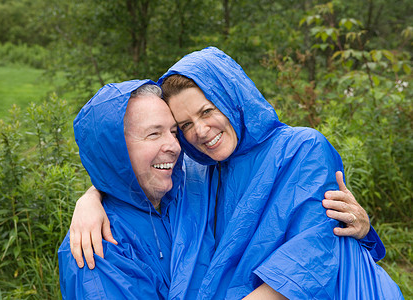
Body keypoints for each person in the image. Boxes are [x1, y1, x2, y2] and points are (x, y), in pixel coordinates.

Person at [68, 47, 402, 299]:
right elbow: (126, 167)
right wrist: (93, 196)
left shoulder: (301, 148)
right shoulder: (200, 170)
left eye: (207, 111)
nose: (199, 131)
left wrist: (364, 229)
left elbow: (313, 253)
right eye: (184, 125)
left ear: (233, 97)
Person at [58, 81, 193, 298]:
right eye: (154, 134)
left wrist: (92, 194)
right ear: (116, 151)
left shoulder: (186, 198)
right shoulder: (98, 245)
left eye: (174, 132)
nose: (175, 146)